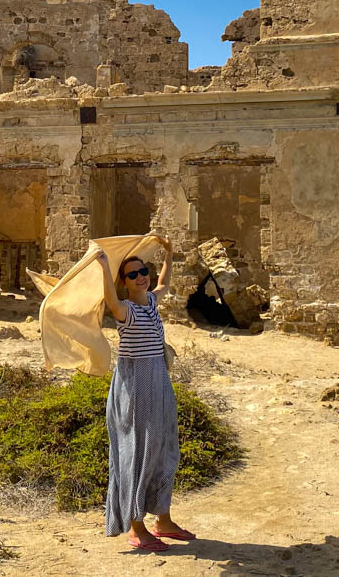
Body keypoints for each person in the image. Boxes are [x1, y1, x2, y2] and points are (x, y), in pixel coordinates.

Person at [96, 235, 196, 552]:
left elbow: (164, 283)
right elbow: (111, 301)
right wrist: (103, 267)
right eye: (133, 274)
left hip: (158, 381)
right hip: (135, 386)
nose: (141, 277)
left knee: (163, 448)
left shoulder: (151, 301)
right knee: (136, 452)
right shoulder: (125, 310)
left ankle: (162, 520)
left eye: (144, 271)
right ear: (124, 282)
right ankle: (137, 527)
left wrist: (168, 255)